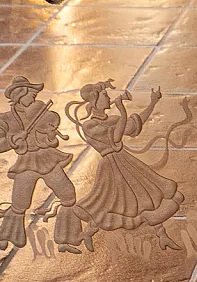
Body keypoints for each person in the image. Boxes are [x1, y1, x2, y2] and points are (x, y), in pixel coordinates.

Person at [64, 80, 184, 251]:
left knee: (147, 195)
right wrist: (121, 109)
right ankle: (88, 233)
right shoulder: (89, 126)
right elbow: (115, 138)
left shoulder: (112, 119)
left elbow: (135, 124)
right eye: (104, 95)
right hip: (111, 166)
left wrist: (153, 102)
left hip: (124, 160)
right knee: (110, 203)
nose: (108, 98)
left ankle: (162, 236)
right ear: (95, 100)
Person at [0, 76, 82, 253]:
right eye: (31, 94)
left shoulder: (42, 113)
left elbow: (52, 139)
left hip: (47, 158)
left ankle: (67, 238)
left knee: (68, 194)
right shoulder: (6, 118)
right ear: (20, 95)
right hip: (26, 162)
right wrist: (14, 139)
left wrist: (50, 135)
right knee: (19, 203)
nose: (35, 97)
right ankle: (6, 237)